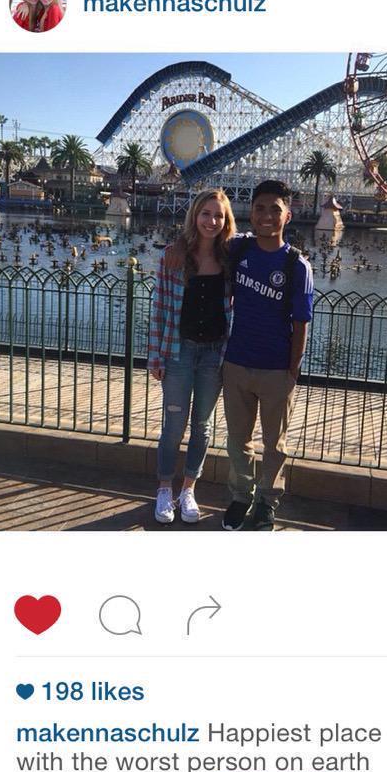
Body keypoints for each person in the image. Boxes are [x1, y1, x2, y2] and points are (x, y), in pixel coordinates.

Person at [222, 179, 314, 531]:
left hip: (277, 369)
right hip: (236, 363)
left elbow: (301, 323)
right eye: (260, 208)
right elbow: (201, 241)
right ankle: (240, 497)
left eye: (275, 209)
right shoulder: (239, 249)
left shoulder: (296, 265)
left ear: (287, 215)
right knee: (238, 440)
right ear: (251, 212)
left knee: (274, 444)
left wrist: (292, 369)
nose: (266, 216)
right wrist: (174, 250)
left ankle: (266, 502)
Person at [148, 188, 236, 524]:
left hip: (214, 354)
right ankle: (164, 489)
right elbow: (159, 309)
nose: (211, 221)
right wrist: (155, 356)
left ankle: (188, 489)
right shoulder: (173, 257)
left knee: (202, 426)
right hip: (179, 351)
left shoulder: (230, 259)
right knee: (173, 426)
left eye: (219, 215)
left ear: (226, 220)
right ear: (194, 216)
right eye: (205, 214)